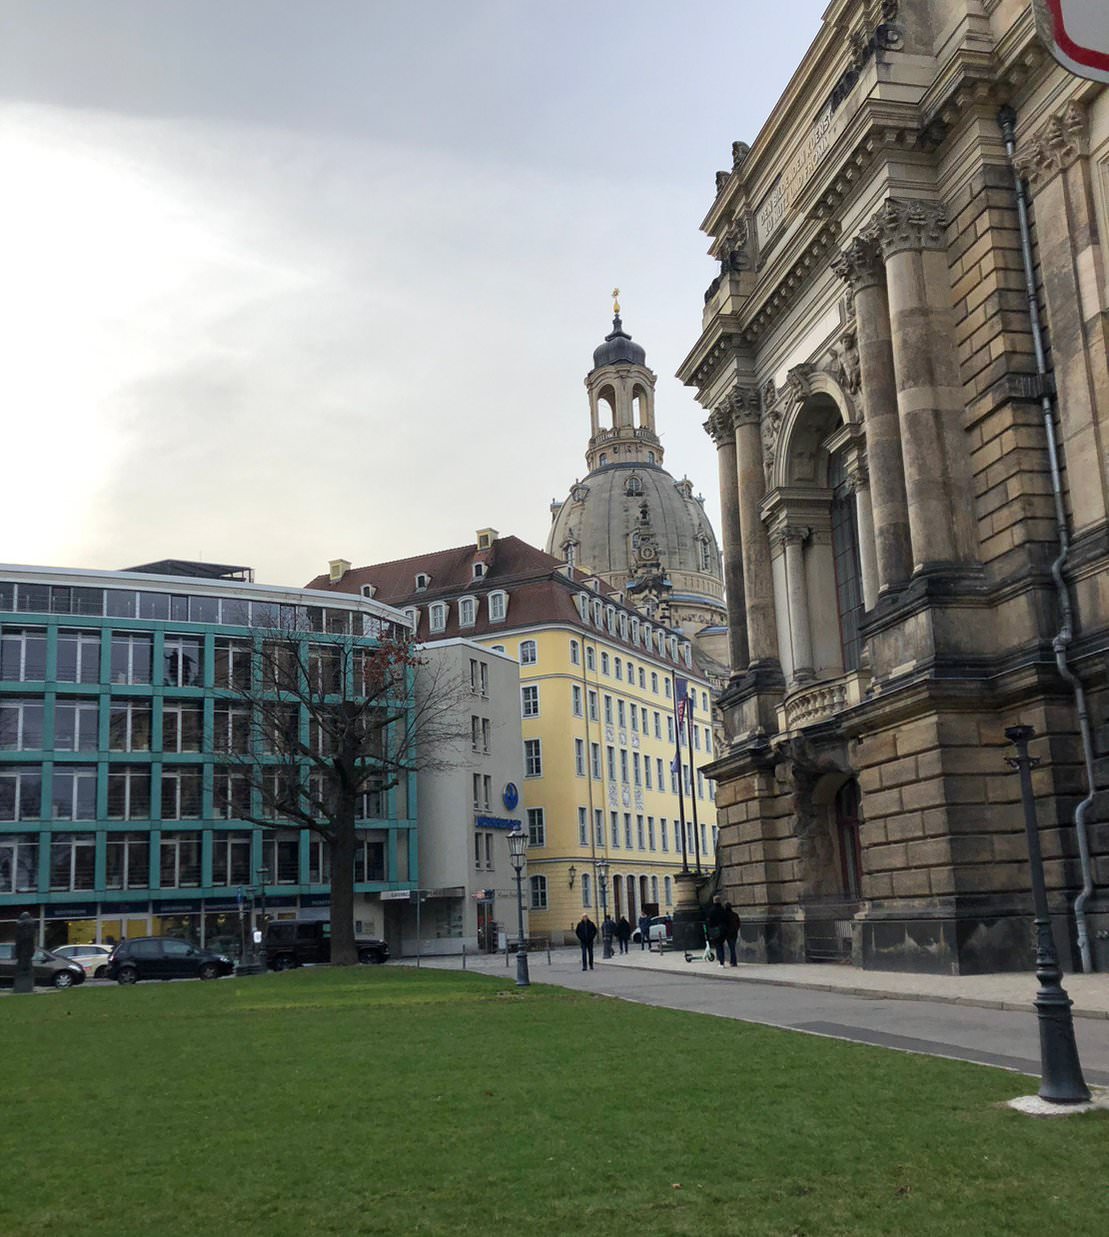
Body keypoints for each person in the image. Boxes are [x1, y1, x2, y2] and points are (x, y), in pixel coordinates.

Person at [706, 895, 729, 967]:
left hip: (715, 930)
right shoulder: (723, 909)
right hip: (723, 929)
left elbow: (710, 921)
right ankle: (722, 961)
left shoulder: (711, 910)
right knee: (721, 945)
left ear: (714, 901)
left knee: (718, 946)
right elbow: (726, 919)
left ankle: (721, 962)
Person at [724, 902, 741, 967]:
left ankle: (734, 961)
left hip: (728, 933)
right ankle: (732, 961)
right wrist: (736, 929)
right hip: (734, 933)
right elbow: (738, 923)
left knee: (732, 948)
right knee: (732, 947)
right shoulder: (735, 914)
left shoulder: (725, 915)